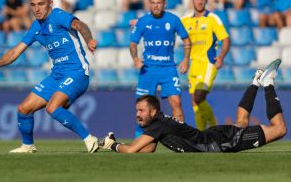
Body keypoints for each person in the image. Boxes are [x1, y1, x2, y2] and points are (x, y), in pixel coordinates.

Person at [0, 0, 99, 153]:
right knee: (23, 109)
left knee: (52, 107)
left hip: (77, 72)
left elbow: (80, 25)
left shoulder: (58, 15)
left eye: (41, 4)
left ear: (50, 3)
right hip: (57, 75)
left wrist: (89, 40)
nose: (36, 9)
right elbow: (17, 50)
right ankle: (28, 146)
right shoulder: (36, 27)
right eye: (33, 4)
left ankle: (90, 139)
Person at [100, 59, 287, 153]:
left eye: (141, 111)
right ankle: (255, 83)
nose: (137, 114)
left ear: (153, 111)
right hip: (213, 136)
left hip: (218, 144)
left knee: (279, 129)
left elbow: (132, 150)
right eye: (136, 111)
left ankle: (267, 83)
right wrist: (120, 144)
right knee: (241, 122)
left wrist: (112, 145)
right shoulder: (158, 124)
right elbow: (147, 149)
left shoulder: (158, 125)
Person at [130, 0, 191, 137]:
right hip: (148, 69)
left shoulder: (174, 20)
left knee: (176, 103)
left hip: (168, 69)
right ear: (149, 4)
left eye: (159, 3)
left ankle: (181, 139)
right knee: (142, 107)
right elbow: (133, 44)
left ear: (165, 4)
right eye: (153, 3)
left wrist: (186, 59)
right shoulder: (143, 21)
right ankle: (139, 139)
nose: (156, 6)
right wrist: (136, 59)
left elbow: (187, 40)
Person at [181, 0, 230, 130]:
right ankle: (202, 136)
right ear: (192, 0)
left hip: (208, 63)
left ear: (207, 0)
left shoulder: (213, 18)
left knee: (198, 97)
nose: (200, 2)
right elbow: (169, 26)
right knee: (195, 104)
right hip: (193, 65)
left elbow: (226, 39)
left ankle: (214, 130)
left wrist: (221, 57)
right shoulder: (185, 20)